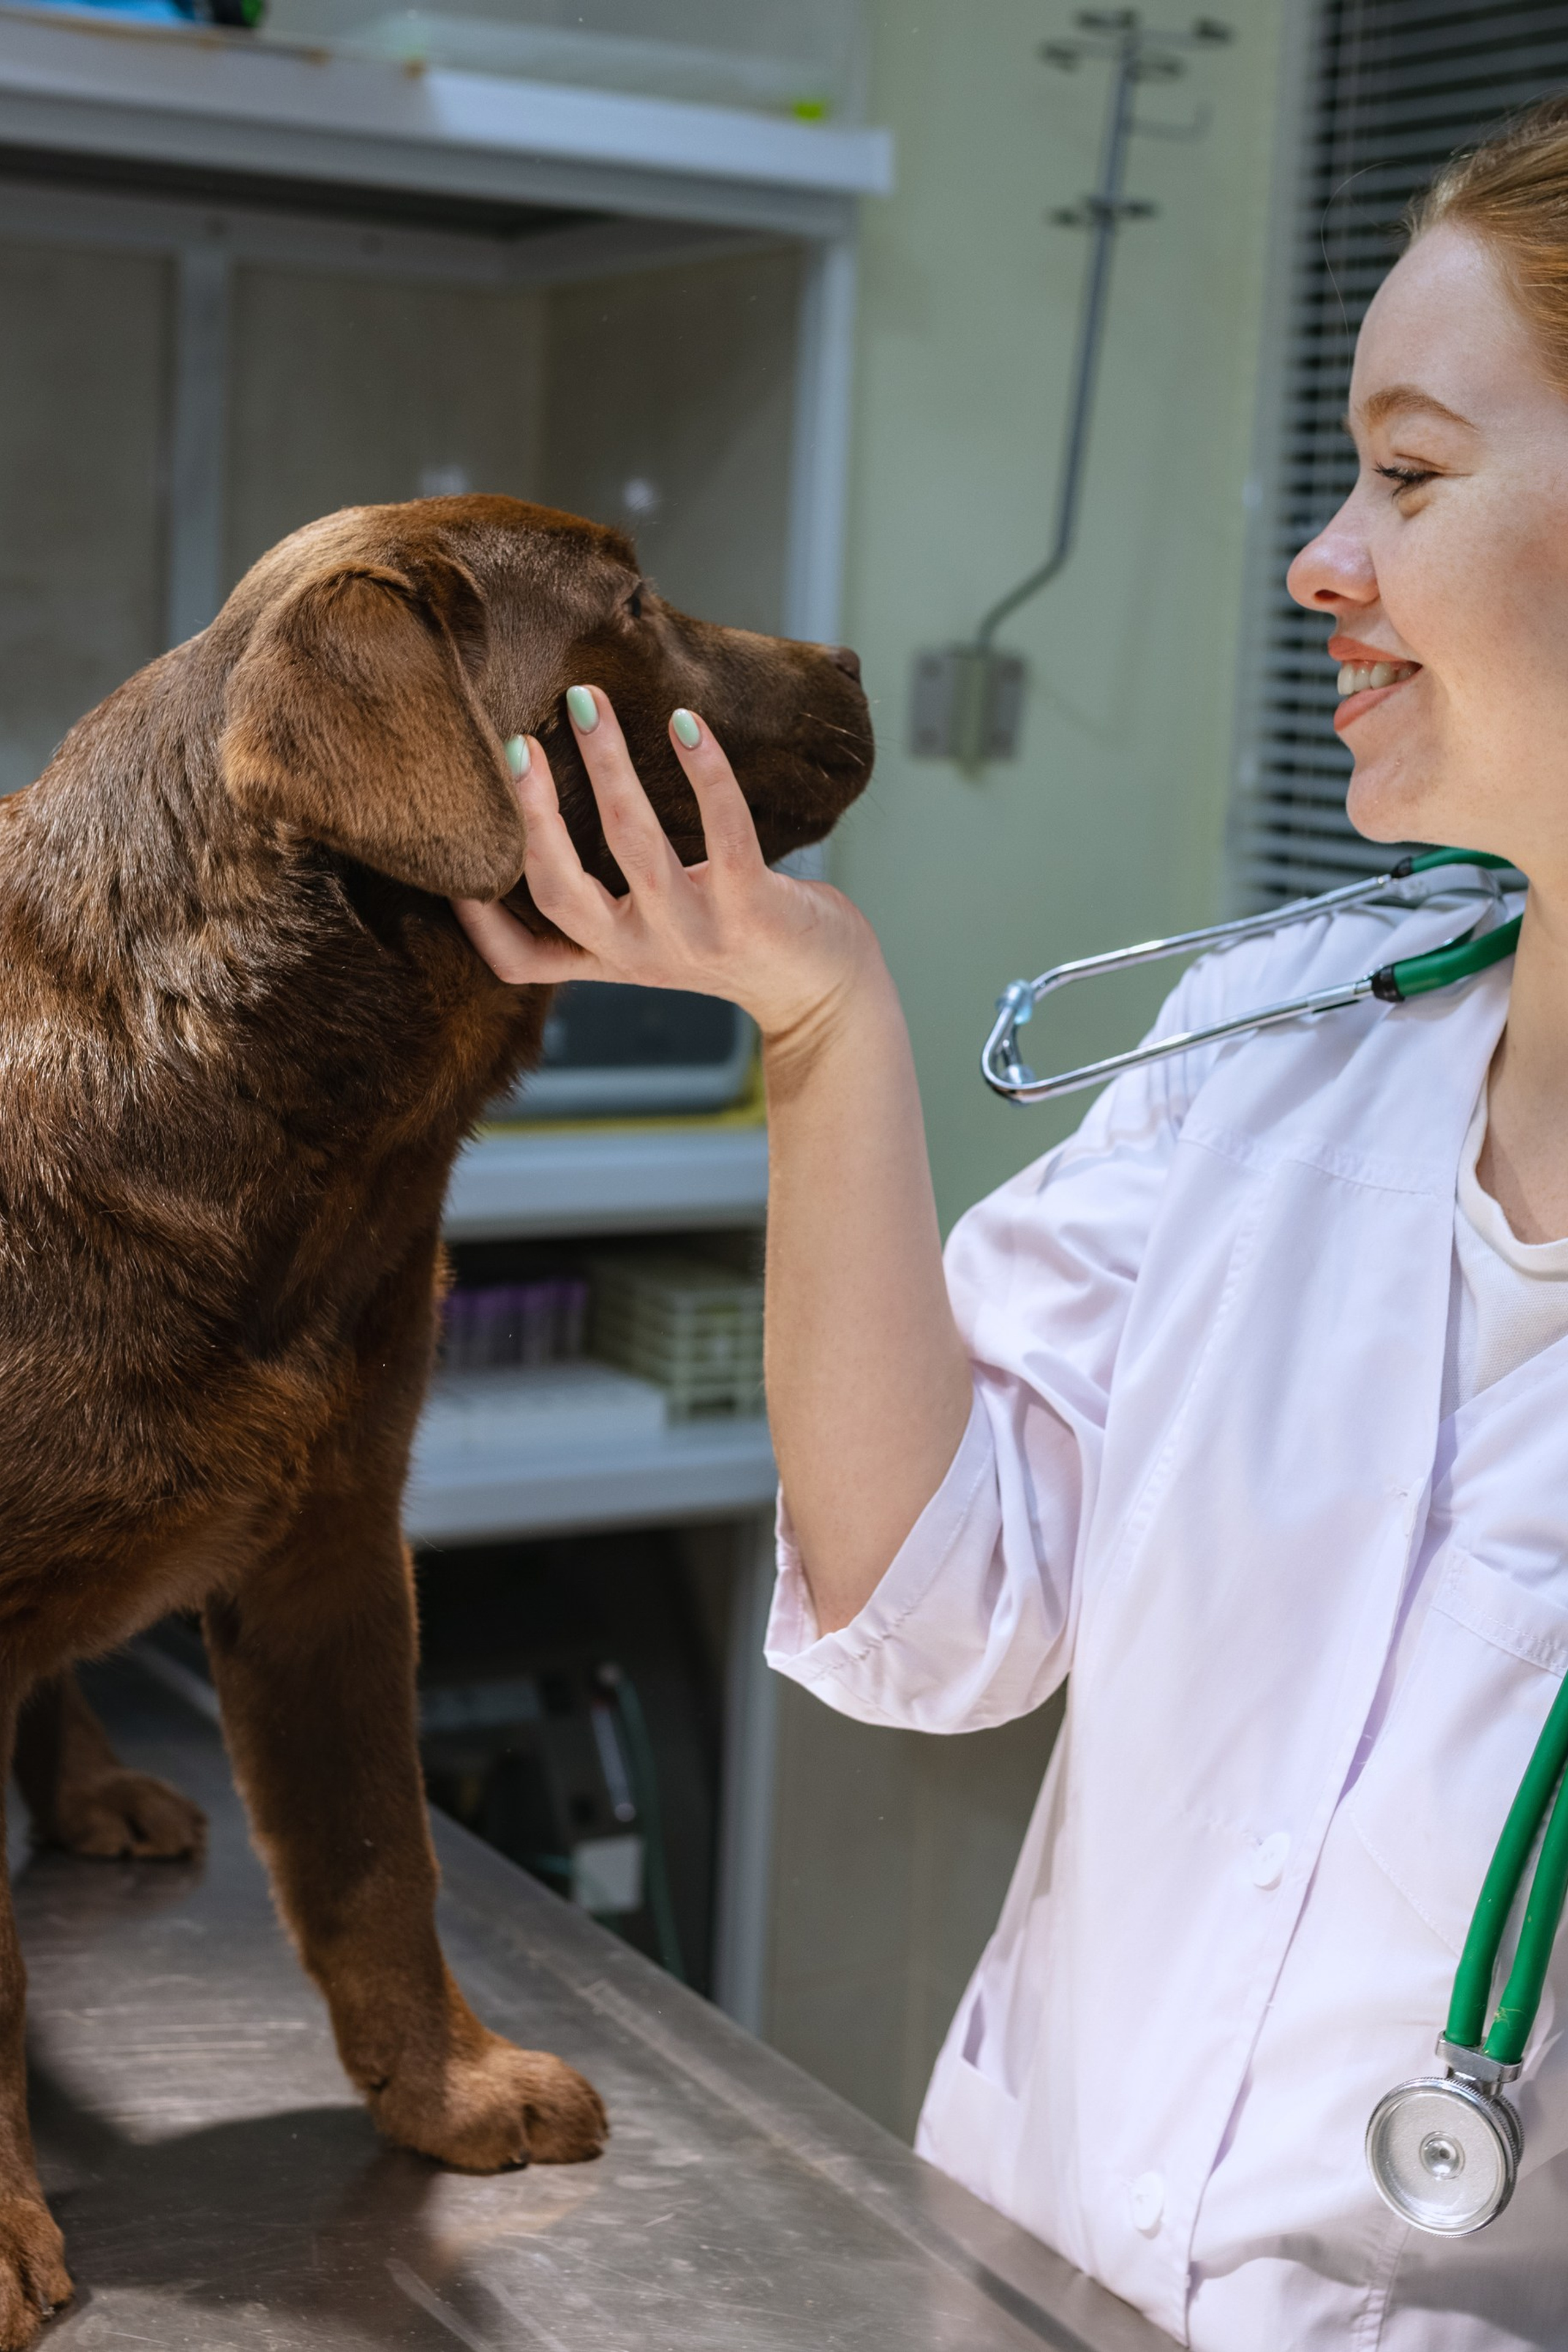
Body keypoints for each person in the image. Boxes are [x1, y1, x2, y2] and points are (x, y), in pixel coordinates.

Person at [454, 100, 1568, 2352]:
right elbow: (935, 1613)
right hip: (1010, 2282)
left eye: (1417, 476)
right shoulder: (1278, 1053)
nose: (1324, 558)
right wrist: (823, 1022)